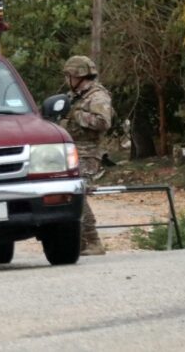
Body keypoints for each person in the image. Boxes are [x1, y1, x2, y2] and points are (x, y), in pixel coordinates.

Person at [61, 56, 114, 256]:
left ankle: (94, 241)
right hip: (70, 151)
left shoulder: (97, 96)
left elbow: (103, 122)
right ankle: (81, 242)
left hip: (88, 152)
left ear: (77, 75)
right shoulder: (74, 96)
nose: (67, 80)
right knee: (68, 192)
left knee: (78, 192)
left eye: (69, 76)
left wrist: (76, 114)